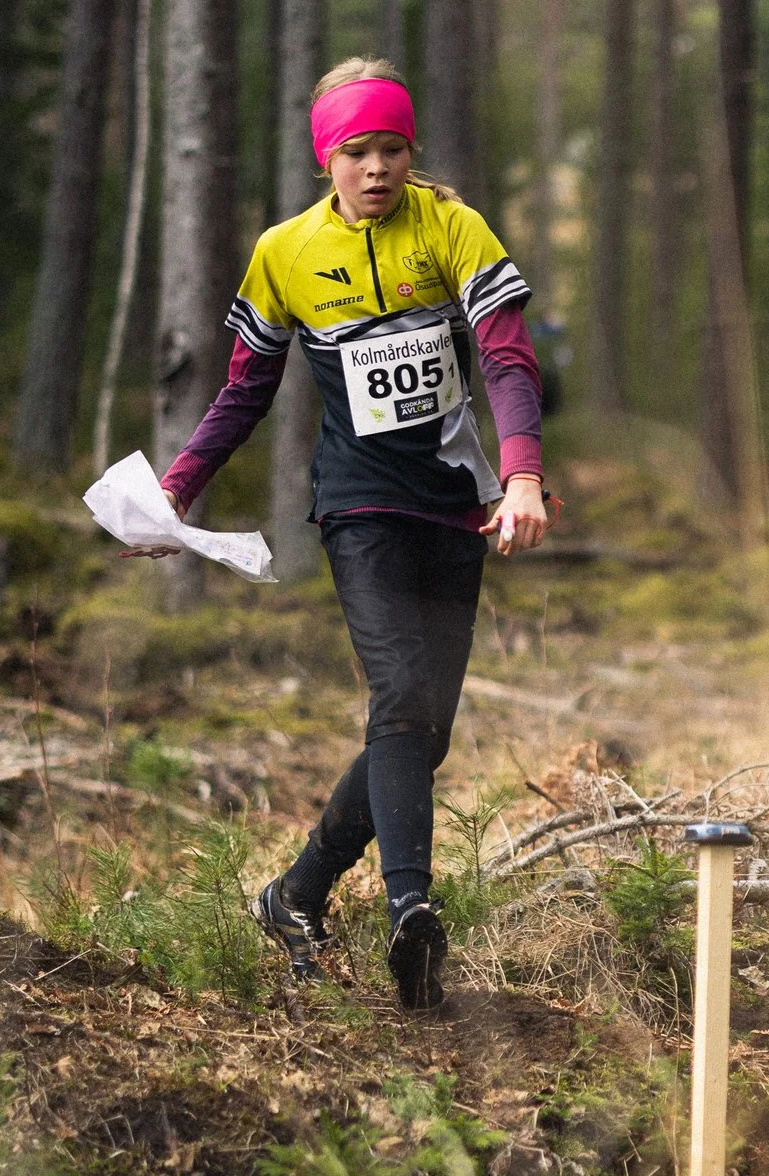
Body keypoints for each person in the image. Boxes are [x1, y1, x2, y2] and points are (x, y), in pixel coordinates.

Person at [150, 56, 553, 1010]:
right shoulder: (285, 252)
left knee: (426, 731)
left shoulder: (452, 229)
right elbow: (245, 389)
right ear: (328, 159)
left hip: (457, 497)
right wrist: (177, 490)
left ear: (413, 152)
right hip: (359, 500)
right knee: (400, 696)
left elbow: (506, 357)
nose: (377, 168)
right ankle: (413, 907)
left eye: (393, 148)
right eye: (357, 151)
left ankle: (296, 893)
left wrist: (524, 471)